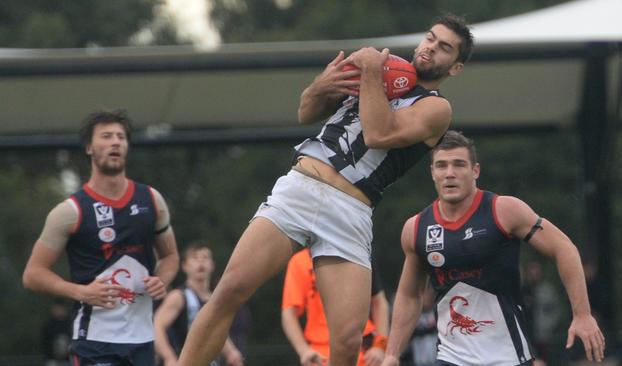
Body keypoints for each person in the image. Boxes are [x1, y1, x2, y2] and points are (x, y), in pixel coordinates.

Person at [178, 15, 474, 366]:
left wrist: (369, 73)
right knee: (229, 290)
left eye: (444, 48)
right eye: (430, 38)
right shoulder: (380, 69)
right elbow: (305, 110)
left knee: (348, 342)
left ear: (454, 67)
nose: (430, 48)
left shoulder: (437, 108)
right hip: (301, 188)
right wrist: (324, 83)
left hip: (351, 209)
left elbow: (379, 134)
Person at [380, 131, 606, 366]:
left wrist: (582, 315)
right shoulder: (416, 228)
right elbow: (410, 294)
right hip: (450, 357)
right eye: (441, 166)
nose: (449, 173)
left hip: (507, 356)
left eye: (459, 165)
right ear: (432, 173)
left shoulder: (504, 211)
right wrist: (392, 354)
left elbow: (564, 248)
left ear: (475, 171)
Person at [23, 109, 180, 366]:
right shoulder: (69, 212)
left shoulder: (152, 200)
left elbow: (171, 256)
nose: (115, 142)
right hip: (93, 342)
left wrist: (161, 280)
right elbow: (33, 274)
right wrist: (81, 291)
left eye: (121, 136)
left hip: (143, 341)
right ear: (89, 147)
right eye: (106, 136)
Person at [281, 248, 390, 366]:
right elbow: (288, 313)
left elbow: (378, 302)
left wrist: (380, 345)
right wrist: (304, 351)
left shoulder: (358, 252)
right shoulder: (300, 262)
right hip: (321, 354)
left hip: (363, 349)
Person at [154, 241, 244, 366]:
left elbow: (216, 329)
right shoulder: (179, 296)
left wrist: (231, 353)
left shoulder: (215, 299)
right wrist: (169, 357)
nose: (200, 262)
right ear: (185, 266)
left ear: (212, 265)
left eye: (205, 258)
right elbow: (157, 326)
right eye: (195, 258)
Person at [41, 298, 72, 366]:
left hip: (67, 360)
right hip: (52, 360)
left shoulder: (70, 324)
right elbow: (44, 342)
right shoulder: (49, 325)